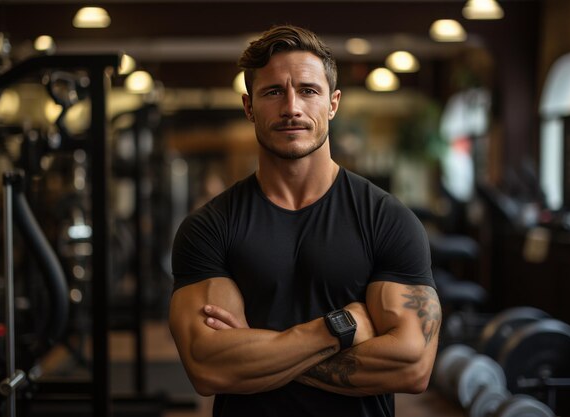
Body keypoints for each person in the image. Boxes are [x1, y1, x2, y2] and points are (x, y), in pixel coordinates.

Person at [169, 24, 441, 417]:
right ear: (249, 107)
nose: (292, 107)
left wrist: (260, 357)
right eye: (273, 91)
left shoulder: (387, 220)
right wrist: (338, 328)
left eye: (309, 91)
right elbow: (209, 367)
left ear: (332, 103)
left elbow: (413, 367)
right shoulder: (209, 228)